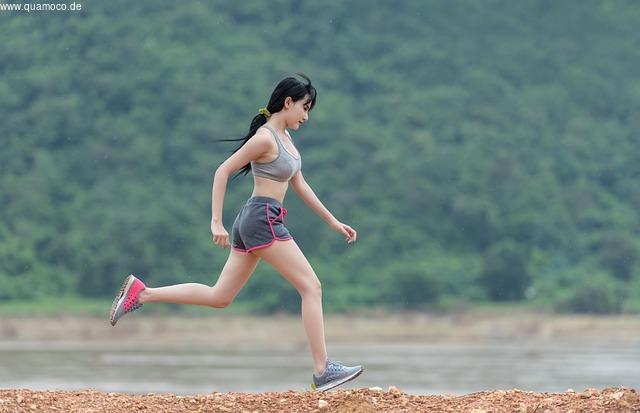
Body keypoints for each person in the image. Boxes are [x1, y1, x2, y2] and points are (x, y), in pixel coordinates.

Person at [109, 74, 363, 391]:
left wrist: (332, 221)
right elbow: (223, 170)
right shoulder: (266, 138)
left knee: (220, 297)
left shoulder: (286, 139)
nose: (306, 116)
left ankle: (142, 293)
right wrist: (216, 222)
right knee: (311, 287)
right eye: (304, 107)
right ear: (288, 102)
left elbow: (299, 184)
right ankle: (323, 370)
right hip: (262, 220)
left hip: (255, 220)